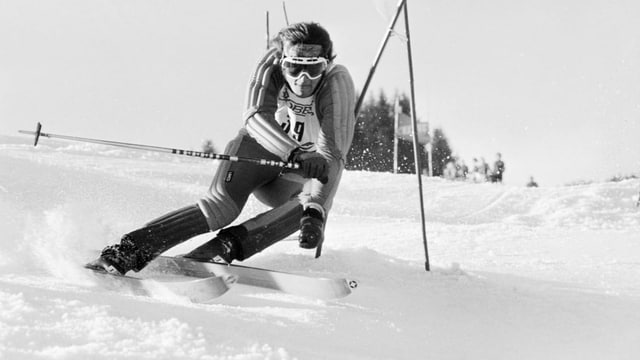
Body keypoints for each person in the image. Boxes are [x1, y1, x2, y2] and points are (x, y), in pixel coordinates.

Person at [87, 22, 356, 275]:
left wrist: (315, 213)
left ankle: (218, 250)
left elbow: (333, 154)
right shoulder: (270, 66)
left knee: (308, 205)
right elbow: (255, 117)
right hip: (260, 152)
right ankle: (128, 250)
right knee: (221, 208)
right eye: (294, 68)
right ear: (282, 60)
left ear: (328, 64)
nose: (303, 79)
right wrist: (296, 152)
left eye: (314, 68)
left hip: (297, 172)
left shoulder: (337, 82)